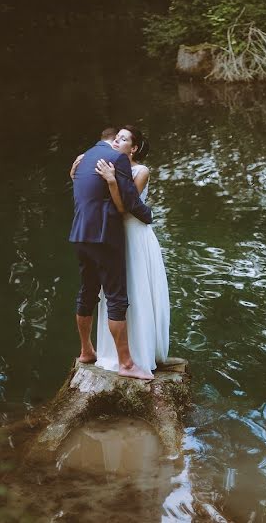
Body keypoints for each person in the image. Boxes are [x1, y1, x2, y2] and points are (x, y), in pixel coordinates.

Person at [70, 125, 170, 374]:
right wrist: (76, 174)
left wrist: (113, 181)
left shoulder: (138, 169)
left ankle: (134, 352)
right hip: (110, 234)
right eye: (116, 137)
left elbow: (128, 205)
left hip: (131, 233)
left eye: (123, 139)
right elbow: (92, 193)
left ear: (133, 148)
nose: (117, 141)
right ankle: (110, 356)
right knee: (110, 294)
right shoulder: (107, 162)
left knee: (132, 290)